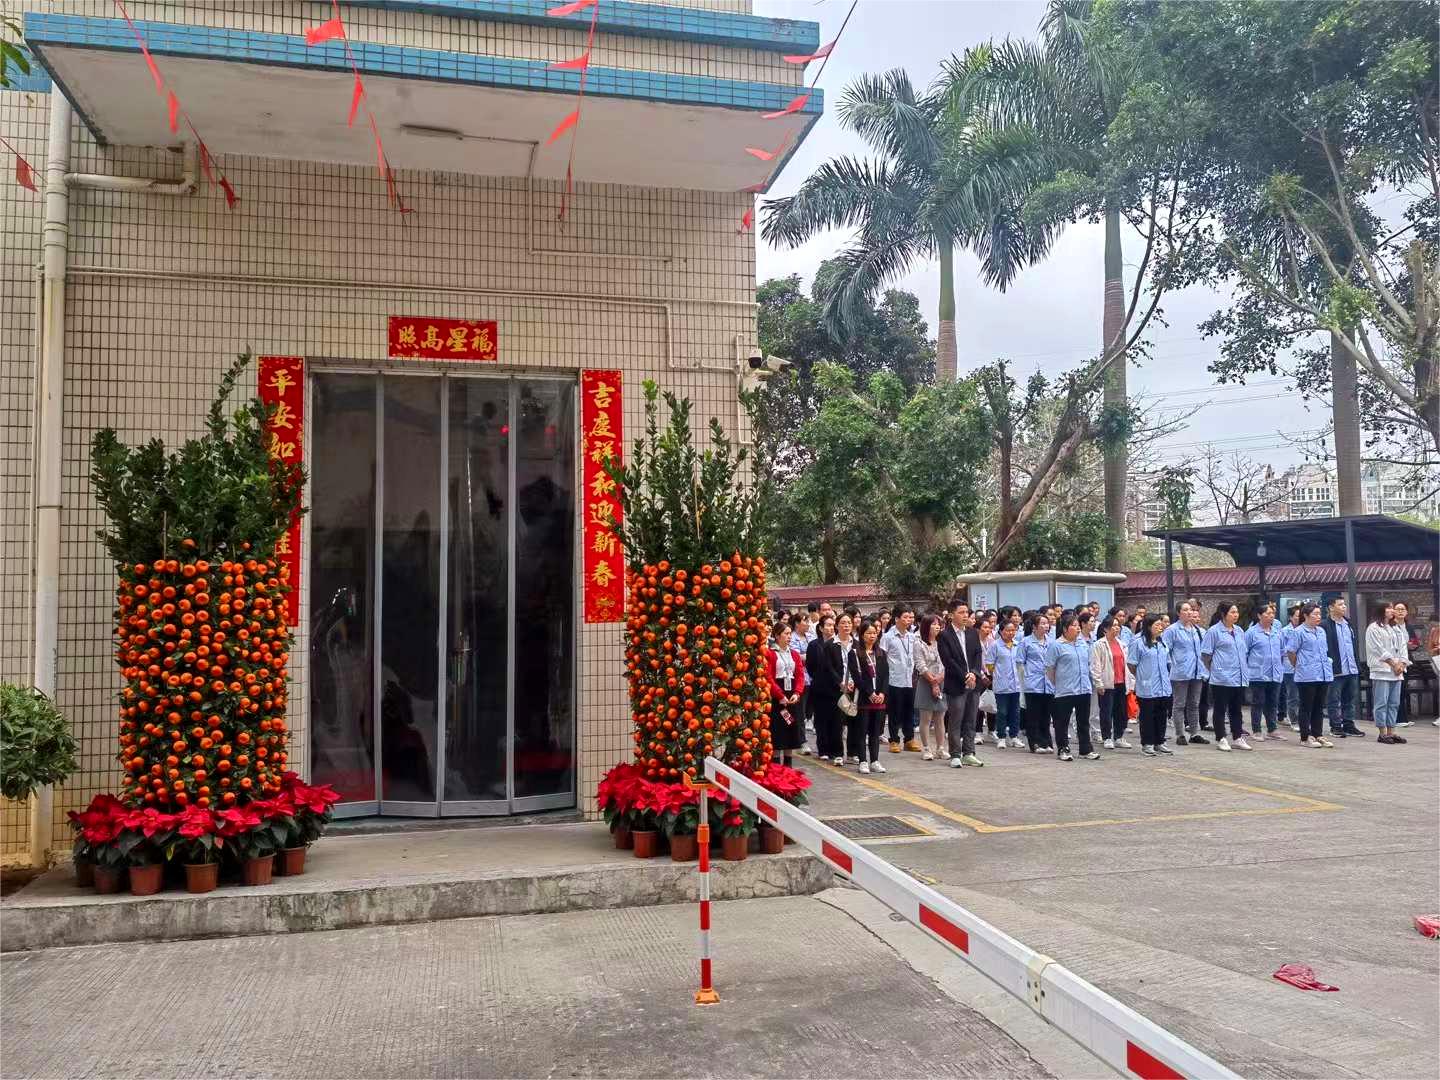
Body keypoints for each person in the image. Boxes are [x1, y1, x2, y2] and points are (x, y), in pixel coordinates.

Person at [938, 599, 984, 768]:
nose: (965, 616)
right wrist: (965, 675)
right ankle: (955, 754)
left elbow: (978, 655)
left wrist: (974, 673)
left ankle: (969, 753)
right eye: (961, 612)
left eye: (967, 612)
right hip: (956, 683)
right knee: (956, 720)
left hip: (973, 683)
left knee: (971, 719)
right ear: (952, 615)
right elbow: (948, 660)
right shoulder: (944, 635)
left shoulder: (972, 633)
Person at [1046, 613, 1096, 761]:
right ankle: (1063, 748)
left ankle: (1085, 749)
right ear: (1065, 629)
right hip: (1065, 690)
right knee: (1062, 722)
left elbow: (1089, 664)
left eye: (1078, 626)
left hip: (1084, 688)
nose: (1078, 628)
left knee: (1083, 721)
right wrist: (1058, 683)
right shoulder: (1056, 645)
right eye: (1074, 626)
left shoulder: (1083, 644)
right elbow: (1050, 669)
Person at [1201, 603, 1251, 751]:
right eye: (1232, 612)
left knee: (1236, 709)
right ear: (1223, 614)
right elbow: (1206, 655)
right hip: (1221, 678)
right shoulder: (1213, 631)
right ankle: (1221, 737)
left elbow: (1243, 653)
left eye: (1237, 612)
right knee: (1220, 709)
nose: (1236, 615)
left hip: (1239, 677)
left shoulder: (1239, 631)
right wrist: (1215, 669)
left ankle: (1237, 737)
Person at [1287, 603, 1335, 748]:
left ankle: (1317, 734)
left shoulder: (1321, 631)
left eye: (1319, 614)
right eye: (1315, 614)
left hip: (1323, 673)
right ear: (1306, 615)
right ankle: (1305, 737)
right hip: (1306, 675)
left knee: (1319, 706)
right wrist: (1299, 666)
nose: (1318, 617)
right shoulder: (1298, 632)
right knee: (1306, 707)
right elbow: (1291, 652)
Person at [1162, 602, 1208, 746]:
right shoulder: (1172, 630)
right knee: (1179, 704)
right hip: (1180, 673)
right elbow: (1165, 651)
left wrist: (1205, 669)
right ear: (1178, 613)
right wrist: (1172, 666)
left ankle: (1194, 733)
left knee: (1194, 704)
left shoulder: (1198, 630)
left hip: (1197, 672)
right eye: (1185, 610)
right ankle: (1180, 734)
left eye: (1191, 610)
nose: (1189, 612)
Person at [1129, 613, 1174, 756]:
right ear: (1148, 627)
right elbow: (1132, 664)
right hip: (1147, 686)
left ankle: (1159, 742)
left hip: (1163, 686)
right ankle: (1147, 743)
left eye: (1161, 625)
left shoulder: (1162, 643)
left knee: (1161, 715)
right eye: (1157, 625)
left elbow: (1168, 663)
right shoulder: (1138, 643)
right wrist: (1143, 676)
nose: (1161, 627)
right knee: (1147, 716)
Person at [765, 620, 807, 767]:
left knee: (791, 727)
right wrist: (780, 695)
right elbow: (768, 677)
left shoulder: (794, 654)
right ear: (777, 635)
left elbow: (800, 675)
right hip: (777, 695)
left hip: (792, 695)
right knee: (778, 730)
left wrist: (797, 692)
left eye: (790, 634)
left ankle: (788, 764)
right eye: (786, 634)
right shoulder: (770, 653)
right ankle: (776, 764)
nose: (789, 637)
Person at [1365, 602, 1408, 745]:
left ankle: (1392, 731)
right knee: (1381, 702)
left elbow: (1402, 647)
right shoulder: (1373, 628)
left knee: (1394, 703)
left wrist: (1402, 663)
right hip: (1382, 670)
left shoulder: (1395, 628)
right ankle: (1382, 732)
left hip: (1396, 671)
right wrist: (1393, 663)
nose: (1392, 610)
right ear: (1381, 610)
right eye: (1389, 608)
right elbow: (1378, 649)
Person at [1321, 597, 1363, 737]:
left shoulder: (1348, 623)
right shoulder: (1325, 625)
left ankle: (1349, 725)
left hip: (1351, 668)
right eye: (1340, 604)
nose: (1344, 607)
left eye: (1344, 604)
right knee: (1333, 700)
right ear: (1331, 607)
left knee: (1349, 700)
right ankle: (1335, 726)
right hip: (1336, 669)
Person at [880, 606, 920, 754]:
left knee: (909, 710)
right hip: (894, 679)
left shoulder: (912, 636)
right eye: (905, 617)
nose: (908, 620)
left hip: (909, 679)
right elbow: (882, 659)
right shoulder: (888, 637)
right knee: (895, 711)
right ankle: (894, 740)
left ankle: (909, 739)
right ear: (896, 619)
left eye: (910, 617)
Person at [1244, 603, 1286, 741]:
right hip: (1258, 674)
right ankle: (1256, 730)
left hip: (1275, 674)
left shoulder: (1277, 632)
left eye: (1272, 613)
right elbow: (1244, 653)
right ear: (1259, 616)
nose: (1271, 616)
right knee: (1258, 702)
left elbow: (1282, 652)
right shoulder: (1251, 633)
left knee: (1273, 703)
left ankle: (1272, 729)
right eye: (1267, 613)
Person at [1090, 616, 1132, 749]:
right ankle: (1107, 737)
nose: (1116, 628)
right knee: (1106, 711)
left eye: (1118, 625)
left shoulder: (1122, 644)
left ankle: (1119, 736)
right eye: (1113, 625)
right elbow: (1095, 665)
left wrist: (1131, 682)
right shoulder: (1099, 645)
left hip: (1121, 682)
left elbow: (1127, 664)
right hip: (1107, 683)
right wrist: (1098, 683)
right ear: (1105, 629)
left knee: (1121, 712)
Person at [854, 619, 890, 772]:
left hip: (879, 699)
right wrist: (870, 693)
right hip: (864, 698)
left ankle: (875, 760)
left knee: (875, 732)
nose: (872, 636)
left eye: (874, 633)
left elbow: (885, 675)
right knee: (862, 731)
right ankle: (863, 761)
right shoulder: (855, 654)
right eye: (868, 633)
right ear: (862, 635)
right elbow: (857, 677)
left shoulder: (881, 653)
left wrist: (882, 693)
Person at [805, 614, 840, 761]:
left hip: (836, 687)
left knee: (835, 720)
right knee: (821, 720)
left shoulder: (838, 643)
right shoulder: (814, 645)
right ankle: (823, 749)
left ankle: (835, 750)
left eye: (833, 625)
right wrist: (820, 678)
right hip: (819, 687)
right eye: (828, 625)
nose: (831, 628)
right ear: (820, 628)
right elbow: (810, 666)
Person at [984, 618, 1024, 748]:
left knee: (1015, 712)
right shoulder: (995, 645)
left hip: (1016, 684)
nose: (1011, 633)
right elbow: (989, 664)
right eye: (1008, 630)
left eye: (1013, 630)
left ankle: (1014, 736)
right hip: (1001, 684)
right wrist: (997, 674)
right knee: (1002, 711)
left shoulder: (1018, 645)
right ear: (1001, 631)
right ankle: (1001, 736)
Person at [913, 614, 946, 761]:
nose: (937, 627)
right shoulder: (919, 643)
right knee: (926, 717)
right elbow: (920, 665)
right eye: (934, 624)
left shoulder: (942, 642)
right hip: (926, 681)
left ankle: (941, 748)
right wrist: (933, 682)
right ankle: (926, 748)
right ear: (926, 626)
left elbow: (946, 663)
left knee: (940, 716)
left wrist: (940, 679)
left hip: (941, 680)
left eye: (939, 624)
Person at [1020, 613, 1054, 753]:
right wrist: (1025, 679)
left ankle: (1046, 742)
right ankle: (1035, 743)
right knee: (1033, 714)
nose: (1046, 626)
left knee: (1046, 715)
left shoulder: (1051, 642)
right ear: (1034, 627)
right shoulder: (1026, 642)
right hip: (1033, 683)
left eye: (1047, 623)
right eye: (1042, 623)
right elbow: (1020, 663)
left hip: (1048, 683)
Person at [830, 613, 861, 765]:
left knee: (854, 720)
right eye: (843, 622)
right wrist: (840, 683)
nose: (847, 625)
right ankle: (837, 753)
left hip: (855, 687)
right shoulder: (830, 645)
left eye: (849, 622)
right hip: (838, 688)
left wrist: (855, 682)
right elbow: (828, 668)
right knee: (837, 722)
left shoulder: (857, 644)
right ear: (837, 625)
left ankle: (853, 752)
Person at [1277, 605, 1302, 730]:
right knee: (1293, 696)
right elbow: (1282, 650)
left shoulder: (1304, 629)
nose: (1299, 618)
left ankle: (1302, 719)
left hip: (1304, 668)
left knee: (1303, 696)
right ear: (1291, 617)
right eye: (1297, 616)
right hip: (1289, 668)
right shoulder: (1285, 631)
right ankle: (1294, 720)